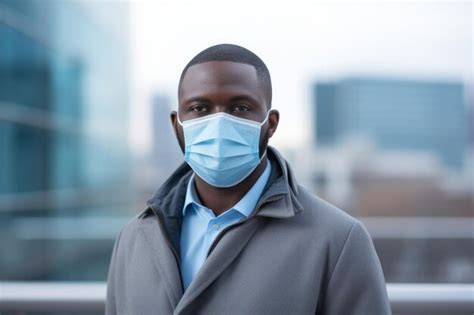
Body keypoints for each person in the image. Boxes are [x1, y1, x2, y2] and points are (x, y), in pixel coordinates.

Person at [106, 44, 391, 315]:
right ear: (176, 123)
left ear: (271, 123)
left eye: (240, 108)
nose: (219, 122)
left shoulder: (338, 240)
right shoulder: (134, 239)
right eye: (199, 108)